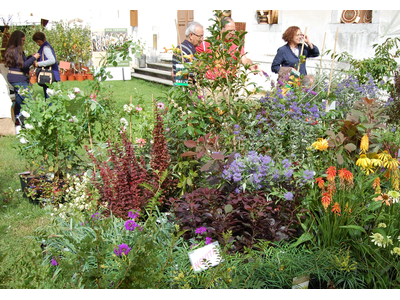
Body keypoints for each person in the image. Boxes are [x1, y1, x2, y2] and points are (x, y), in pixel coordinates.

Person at [196, 17, 263, 80]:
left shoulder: (236, 46)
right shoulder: (208, 43)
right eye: (230, 30)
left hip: (229, 84)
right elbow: (190, 54)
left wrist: (251, 66)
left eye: (234, 31)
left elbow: (244, 59)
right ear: (222, 29)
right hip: (212, 85)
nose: (232, 33)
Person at [4, 30, 40, 123]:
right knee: (29, 101)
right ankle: (35, 121)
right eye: (23, 40)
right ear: (18, 40)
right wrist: (33, 58)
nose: (24, 42)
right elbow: (23, 65)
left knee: (20, 102)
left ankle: (17, 121)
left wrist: (28, 57)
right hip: (19, 79)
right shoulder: (17, 51)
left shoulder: (12, 49)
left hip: (14, 78)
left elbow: (19, 63)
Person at [32, 32, 60, 98]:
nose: (37, 44)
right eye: (36, 42)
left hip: (50, 75)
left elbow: (52, 60)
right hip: (50, 75)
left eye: (39, 42)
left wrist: (38, 64)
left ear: (44, 39)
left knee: (50, 96)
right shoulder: (45, 47)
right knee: (49, 96)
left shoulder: (45, 48)